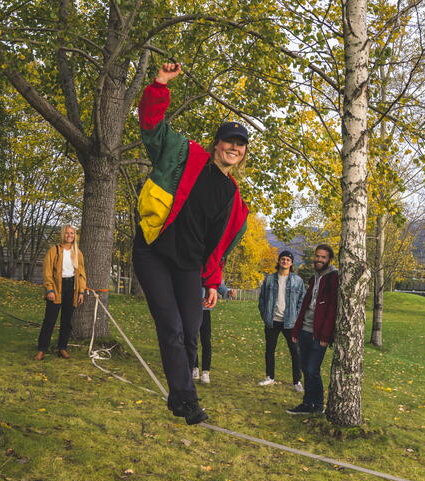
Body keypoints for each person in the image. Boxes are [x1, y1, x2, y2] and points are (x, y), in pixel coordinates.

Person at [133, 63, 249, 425]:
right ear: (217, 144)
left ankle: (179, 397)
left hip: (189, 266)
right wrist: (160, 85)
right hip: (154, 251)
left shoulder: (235, 200)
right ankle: (187, 400)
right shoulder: (185, 154)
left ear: (244, 153)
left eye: (240, 144)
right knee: (171, 327)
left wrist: (212, 282)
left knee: (191, 331)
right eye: (228, 141)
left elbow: (216, 248)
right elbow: (152, 126)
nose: (233, 147)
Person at [287, 244, 338, 415]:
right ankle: (307, 404)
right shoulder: (314, 277)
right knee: (305, 369)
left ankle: (319, 405)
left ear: (329, 259)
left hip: (319, 334)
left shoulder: (333, 278)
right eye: (317, 256)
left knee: (312, 370)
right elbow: (304, 306)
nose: (319, 259)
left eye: (323, 257)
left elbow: (332, 309)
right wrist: (296, 330)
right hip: (305, 330)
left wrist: (325, 336)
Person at [35, 225, 87, 360]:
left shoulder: (77, 253)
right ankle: (42, 349)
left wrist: (81, 291)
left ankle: (62, 348)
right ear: (63, 234)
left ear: (75, 235)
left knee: (67, 321)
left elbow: (81, 274)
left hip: (72, 288)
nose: (69, 235)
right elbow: (47, 271)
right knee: (49, 320)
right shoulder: (54, 250)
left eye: (72, 233)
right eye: (67, 233)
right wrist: (50, 289)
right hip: (57, 287)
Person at [257, 250, 306, 391]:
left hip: (290, 322)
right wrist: (265, 315)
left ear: (291, 263)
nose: (285, 261)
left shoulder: (297, 281)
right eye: (283, 259)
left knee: (295, 352)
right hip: (272, 321)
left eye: (288, 260)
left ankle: (297, 381)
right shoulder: (269, 279)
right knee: (269, 350)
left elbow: (302, 301)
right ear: (279, 261)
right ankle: (269, 377)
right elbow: (262, 299)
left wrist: (296, 317)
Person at [191, 282, 235, 384]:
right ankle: (194, 368)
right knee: (192, 339)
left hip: (205, 310)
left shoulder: (209, 273)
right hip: (191, 308)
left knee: (206, 340)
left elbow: (217, 282)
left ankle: (205, 372)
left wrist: (228, 291)